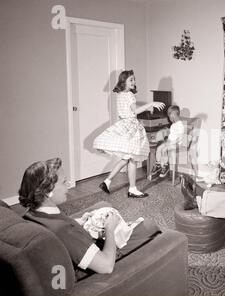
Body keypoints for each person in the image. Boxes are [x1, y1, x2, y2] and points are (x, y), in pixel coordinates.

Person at [18, 158, 160, 274]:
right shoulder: (64, 230)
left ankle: (124, 226)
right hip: (101, 256)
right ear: (48, 191)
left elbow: (60, 226)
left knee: (106, 208)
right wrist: (109, 229)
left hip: (79, 240)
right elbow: (106, 266)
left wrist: (78, 221)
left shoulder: (32, 214)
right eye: (63, 182)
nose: (68, 185)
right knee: (149, 225)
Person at [93, 70, 165, 198]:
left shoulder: (120, 94)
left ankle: (107, 181)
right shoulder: (130, 95)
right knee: (133, 158)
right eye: (131, 79)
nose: (134, 82)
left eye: (134, 79)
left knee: (126, 158)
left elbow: (126, 111)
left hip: (123, 125)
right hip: (131, 126)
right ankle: (132, 189)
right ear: (123, 81)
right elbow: (135, 111)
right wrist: (151, 104)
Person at [150, 106, 185, 178]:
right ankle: (158, 165)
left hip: (177, 144)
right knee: (159, 148)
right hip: (170, 142)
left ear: (173, 115)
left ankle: (166, 166)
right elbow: (171, 136)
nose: (169, 118)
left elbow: (180, 138)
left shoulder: (180, 125)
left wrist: (171, 143)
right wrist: (166, 141)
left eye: (169, 116)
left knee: (164, 149)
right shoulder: (173, 125)